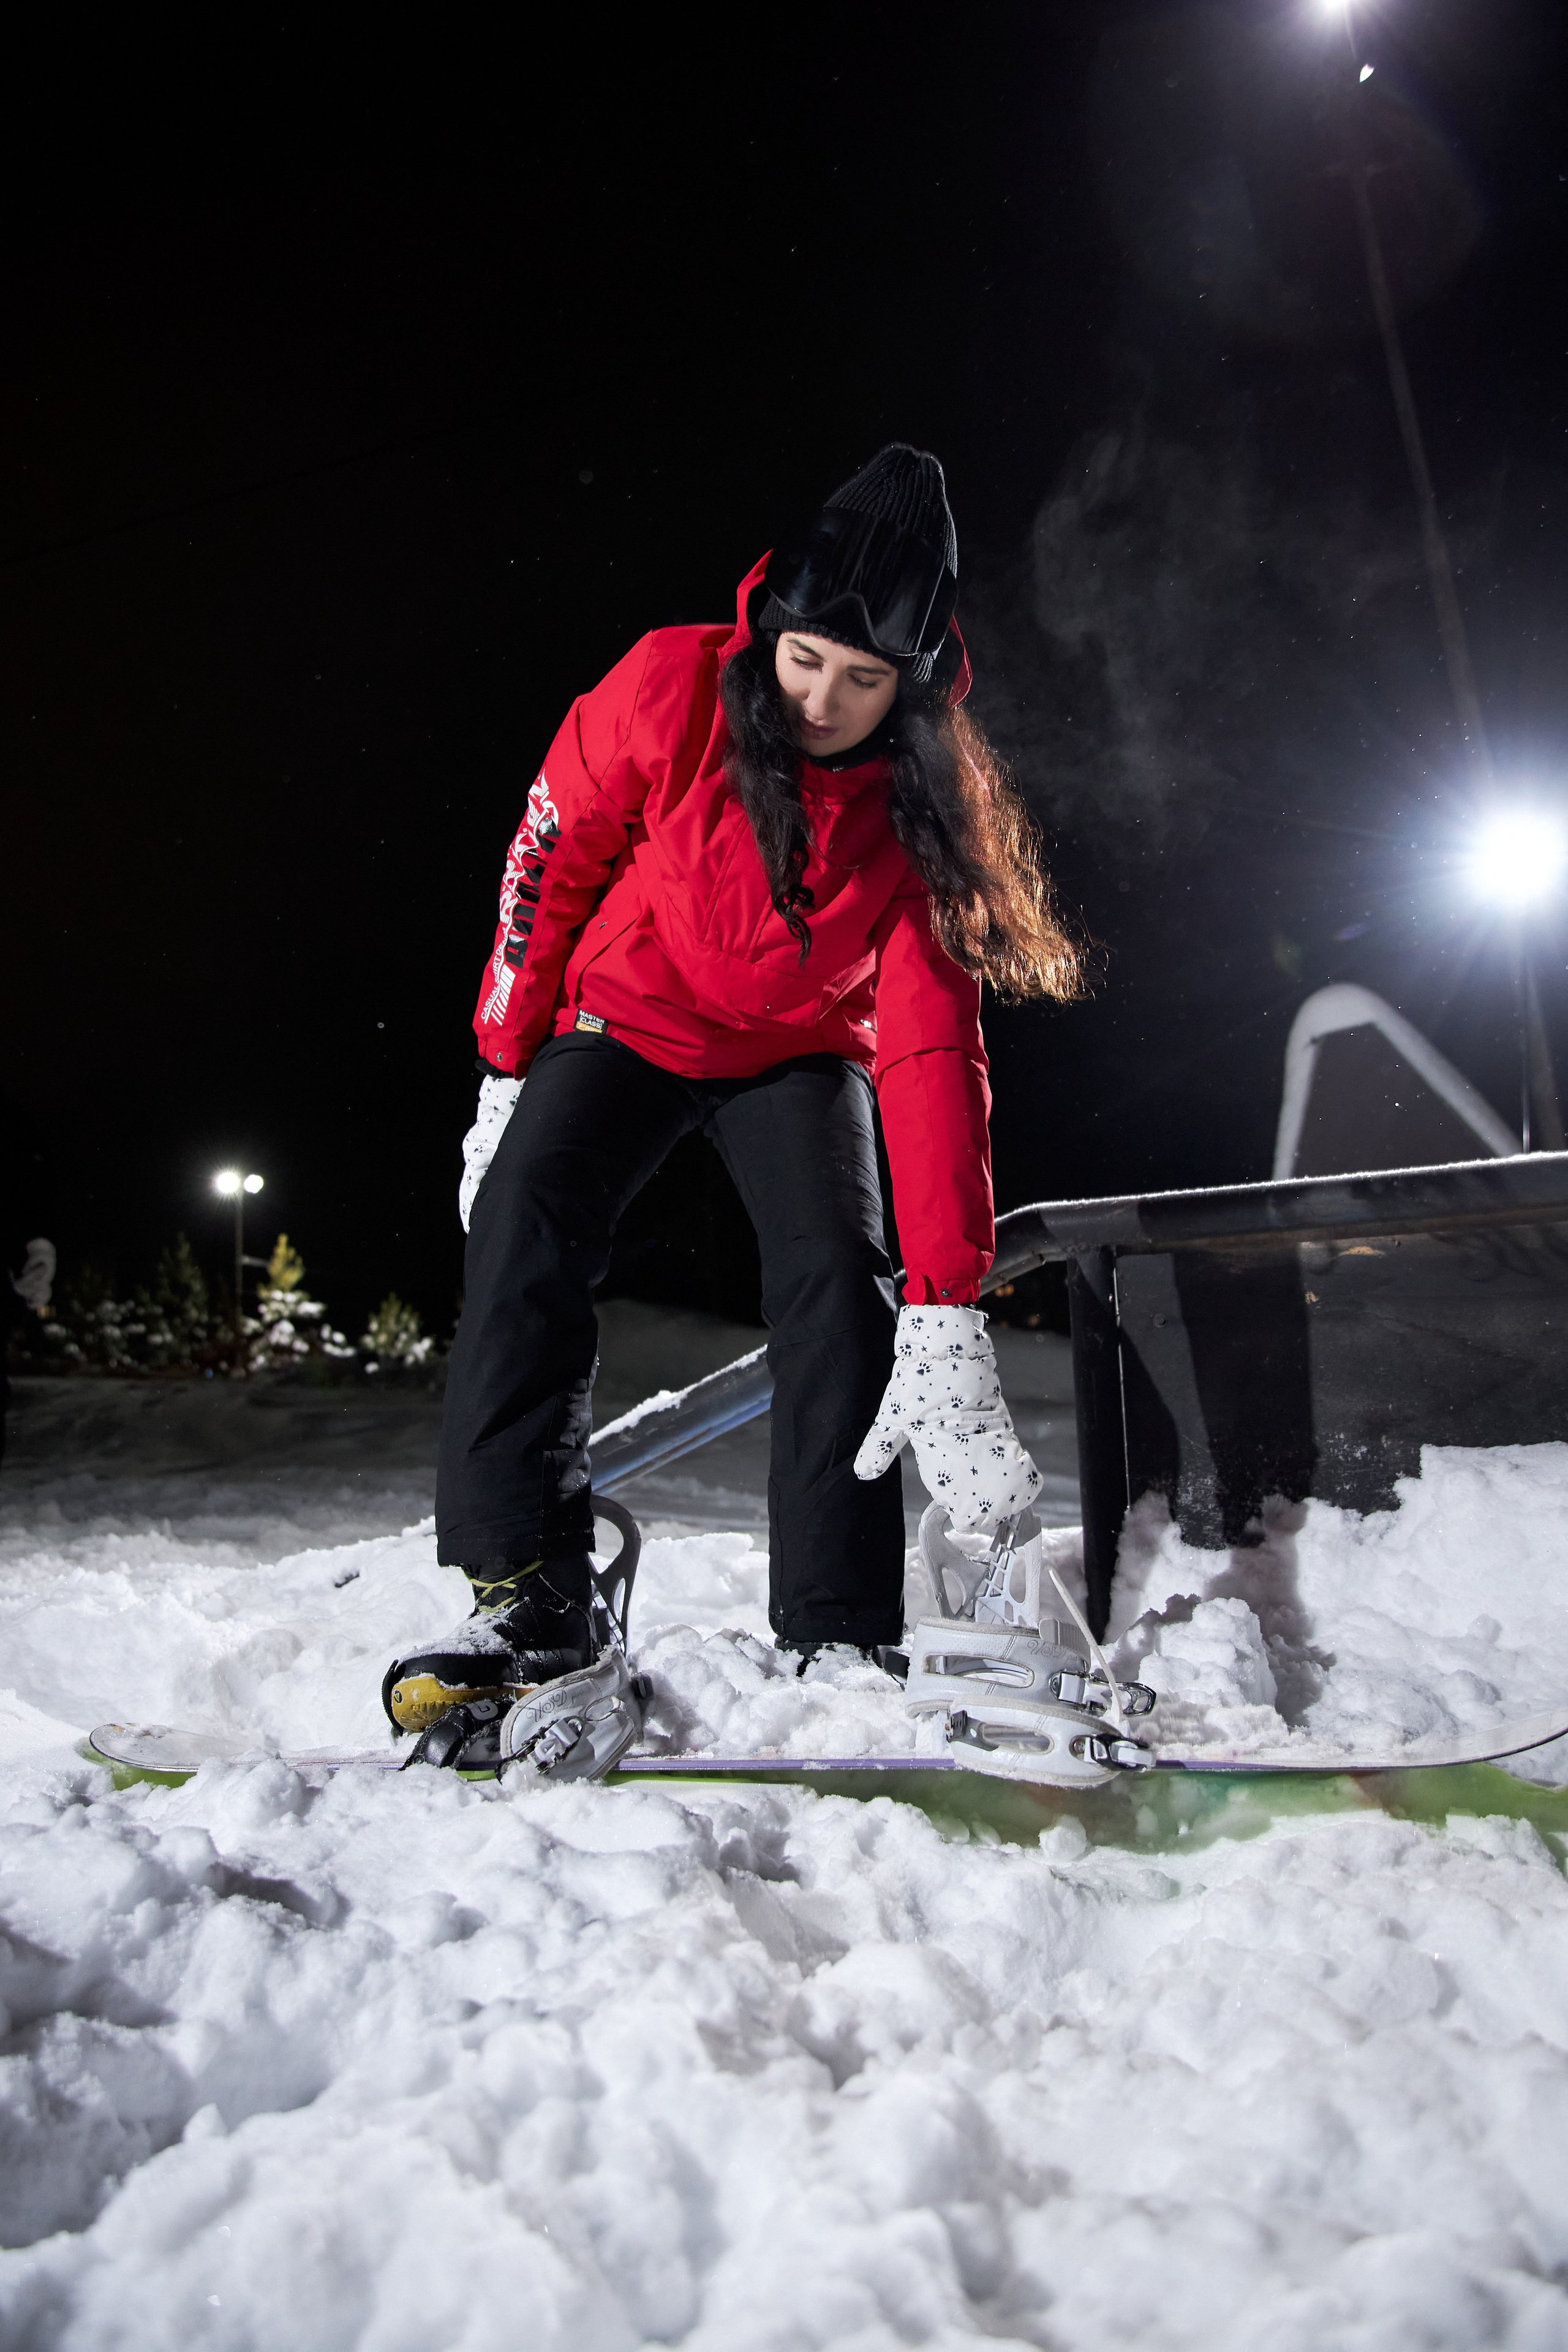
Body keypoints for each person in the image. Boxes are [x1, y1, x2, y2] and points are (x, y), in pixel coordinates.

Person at [384, 445, 1080, 1743]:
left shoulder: (930, 804)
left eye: (863, 679)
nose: (821, 698)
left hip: (802, 1048)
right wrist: (504, 1065)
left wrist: (947, 1303)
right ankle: (529, 1590)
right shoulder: (669, 686)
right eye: (806, 659)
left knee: (842, 1281)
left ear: (913, 684)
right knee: (524, 1217)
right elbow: (549, 859)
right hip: (632, 1009)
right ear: (772, 626)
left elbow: (934, 1052)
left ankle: (838, 1626)